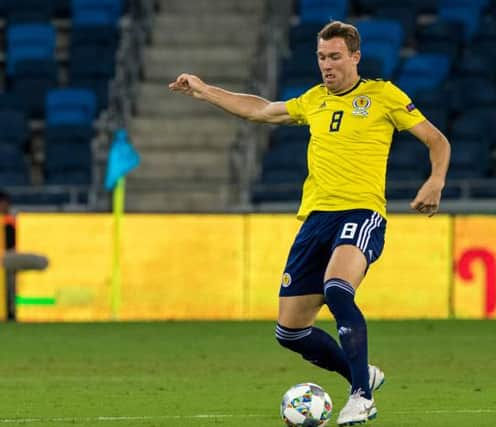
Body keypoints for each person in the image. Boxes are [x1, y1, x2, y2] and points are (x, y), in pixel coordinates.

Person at [169, 20, 450, 425]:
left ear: (355, 57)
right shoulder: (314, 100)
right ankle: (361, 371)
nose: (326, 65)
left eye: (335, 56)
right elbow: (262, 109)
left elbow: (437, 140)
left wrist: (435, 181)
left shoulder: (382, 95)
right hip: (316, 220)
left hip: (361, 213)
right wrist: (204, 90)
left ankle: (361, 395)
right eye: (321, 57)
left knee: (338, 290)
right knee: (290, 331)